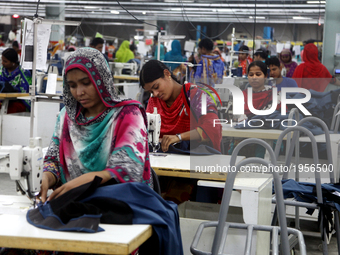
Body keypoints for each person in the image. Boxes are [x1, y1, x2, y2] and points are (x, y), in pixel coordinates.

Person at [40, 48, 151, 203]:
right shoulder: (67, 116)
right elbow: (53, 160)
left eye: (86, 83)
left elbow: (127, 169)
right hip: (73, 205)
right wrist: (46, 177)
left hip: (118, 205)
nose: (79, 92)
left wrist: (85, 181)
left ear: (102, 80)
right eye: (72, 86)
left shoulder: (128, 115)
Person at [140, 60, 222, 153]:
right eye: (151, 92)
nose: (155, 94)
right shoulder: (154, 101)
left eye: (156, 87)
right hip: (165, 161)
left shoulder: (195, 95)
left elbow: (213, 127)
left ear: (167, 74)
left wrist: (178, 137)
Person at [0, 48, 31, 113]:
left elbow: (27, 93)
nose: (2, 63)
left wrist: (14, 90)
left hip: (19, 102)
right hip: (2, 100)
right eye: (2, 60)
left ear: (13, 63)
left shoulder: (24, 74)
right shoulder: (1, 72)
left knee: (11, 109)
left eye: (5, 61)